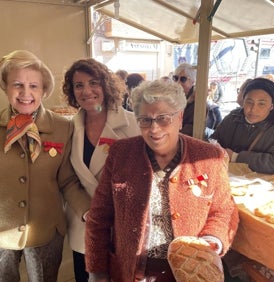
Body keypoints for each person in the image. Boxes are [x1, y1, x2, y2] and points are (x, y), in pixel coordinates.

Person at [85, 79, 239, 281]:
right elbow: (98, 216)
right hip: (131, 271)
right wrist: (96, 271)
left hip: (186, 274)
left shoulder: (209, 156)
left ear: (180, 118)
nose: (154, 129)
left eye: (163, 119)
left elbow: (224, 210)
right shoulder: (121, 153)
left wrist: (210, 241)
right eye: (145, 120)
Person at [0, 50, 91, 281]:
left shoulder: (62, 127)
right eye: (17, 84)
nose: (26, 93)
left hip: (47, 229)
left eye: (34, 86)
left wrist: (89, 212)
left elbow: (67, 180)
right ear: (6, 87)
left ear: (44, 90)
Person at [61, 58, 140, 281]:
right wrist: (88, 211)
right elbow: (68, 180)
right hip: (84, 224)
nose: (86, 91)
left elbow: (146, 175)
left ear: (105, 85)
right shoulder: (69, 128)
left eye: (93, 82)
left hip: (123, 225)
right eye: (79, 85)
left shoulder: (133, 125)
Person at [210, 77, 274, 174]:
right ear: (243, 101)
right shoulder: (233, 117)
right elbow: (214, 140)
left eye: (261, 104)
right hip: (226, 176)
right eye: (249, 102)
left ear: (271, 106)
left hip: (263, 184)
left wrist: (236, 157)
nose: (253, 109)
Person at [172, 63, 196, 136]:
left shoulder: (197, 102)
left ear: (192, 82)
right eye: (175, 78)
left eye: (183, 79)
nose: (178, 83)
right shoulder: (171, 97)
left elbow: (189, 130)